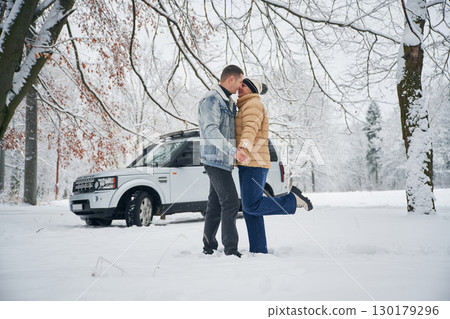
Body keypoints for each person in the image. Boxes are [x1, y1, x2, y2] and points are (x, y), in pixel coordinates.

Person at [235, 78, 313, 254]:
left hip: (253, 161)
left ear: (252, 89)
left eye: (244, 85)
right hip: (250, 162)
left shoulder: (253, 105)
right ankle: (258, 249)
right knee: (250, 209)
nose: (239, 87)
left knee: (251, 206)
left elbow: (250, 128)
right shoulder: (245, 105)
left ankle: (293, 200)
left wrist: (244, 147)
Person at [198, 65, 248, 257]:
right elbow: (210, 131)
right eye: (240, 82)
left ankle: (208, 245)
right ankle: (231, 249)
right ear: (231, 79)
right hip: (214, 159)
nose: (240, 86)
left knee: (216, 203)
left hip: (223, 161)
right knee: (231, 202)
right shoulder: (211, 100)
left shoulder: (227, 102)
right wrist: (233, 151)